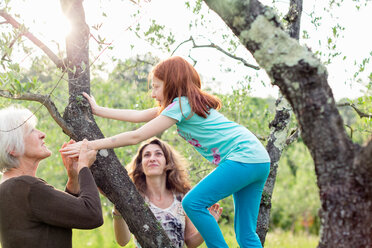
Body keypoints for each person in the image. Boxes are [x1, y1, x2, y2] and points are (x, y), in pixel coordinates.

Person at [61, 56, 271, 248]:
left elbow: (137, 136)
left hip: (242, 157)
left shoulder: (181, 104)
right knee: (246, 234)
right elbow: (139, 115)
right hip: (259, 160)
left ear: (171, 84)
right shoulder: (186, 104)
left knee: (193, 202)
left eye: (156, 87)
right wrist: (99, 110)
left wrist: (91, 145)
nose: (152, 94)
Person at [0, 105, 103, 248]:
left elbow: (64, 215)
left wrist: (73, 179)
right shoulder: (27, 187)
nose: (42, 134)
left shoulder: (10, 187)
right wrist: (83, 167)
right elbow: (92, 215)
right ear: (12, 149)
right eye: (31, 131)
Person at [111, 138, 222, 248]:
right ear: (140, 165)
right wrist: (118, 211)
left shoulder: (183, 197)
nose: (152, 159)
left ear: (167, 162)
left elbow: (190, 242)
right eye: (147, 155)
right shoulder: (134, 198)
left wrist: (209, 224)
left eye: (158, 154)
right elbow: (122, 241)